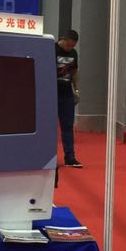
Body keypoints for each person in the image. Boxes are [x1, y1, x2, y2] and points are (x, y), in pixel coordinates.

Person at [56, 30, 81, 167]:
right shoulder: (52, 49)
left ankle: (70, 157)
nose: (69, 48)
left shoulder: (73, 53)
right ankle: (49, 156)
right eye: (68, 45)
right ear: (63, 40)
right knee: (49, 127)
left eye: (72, 46)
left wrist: (76, 90)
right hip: (52, 92)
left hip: (67, 94)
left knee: (68, 126)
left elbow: (75, 72)